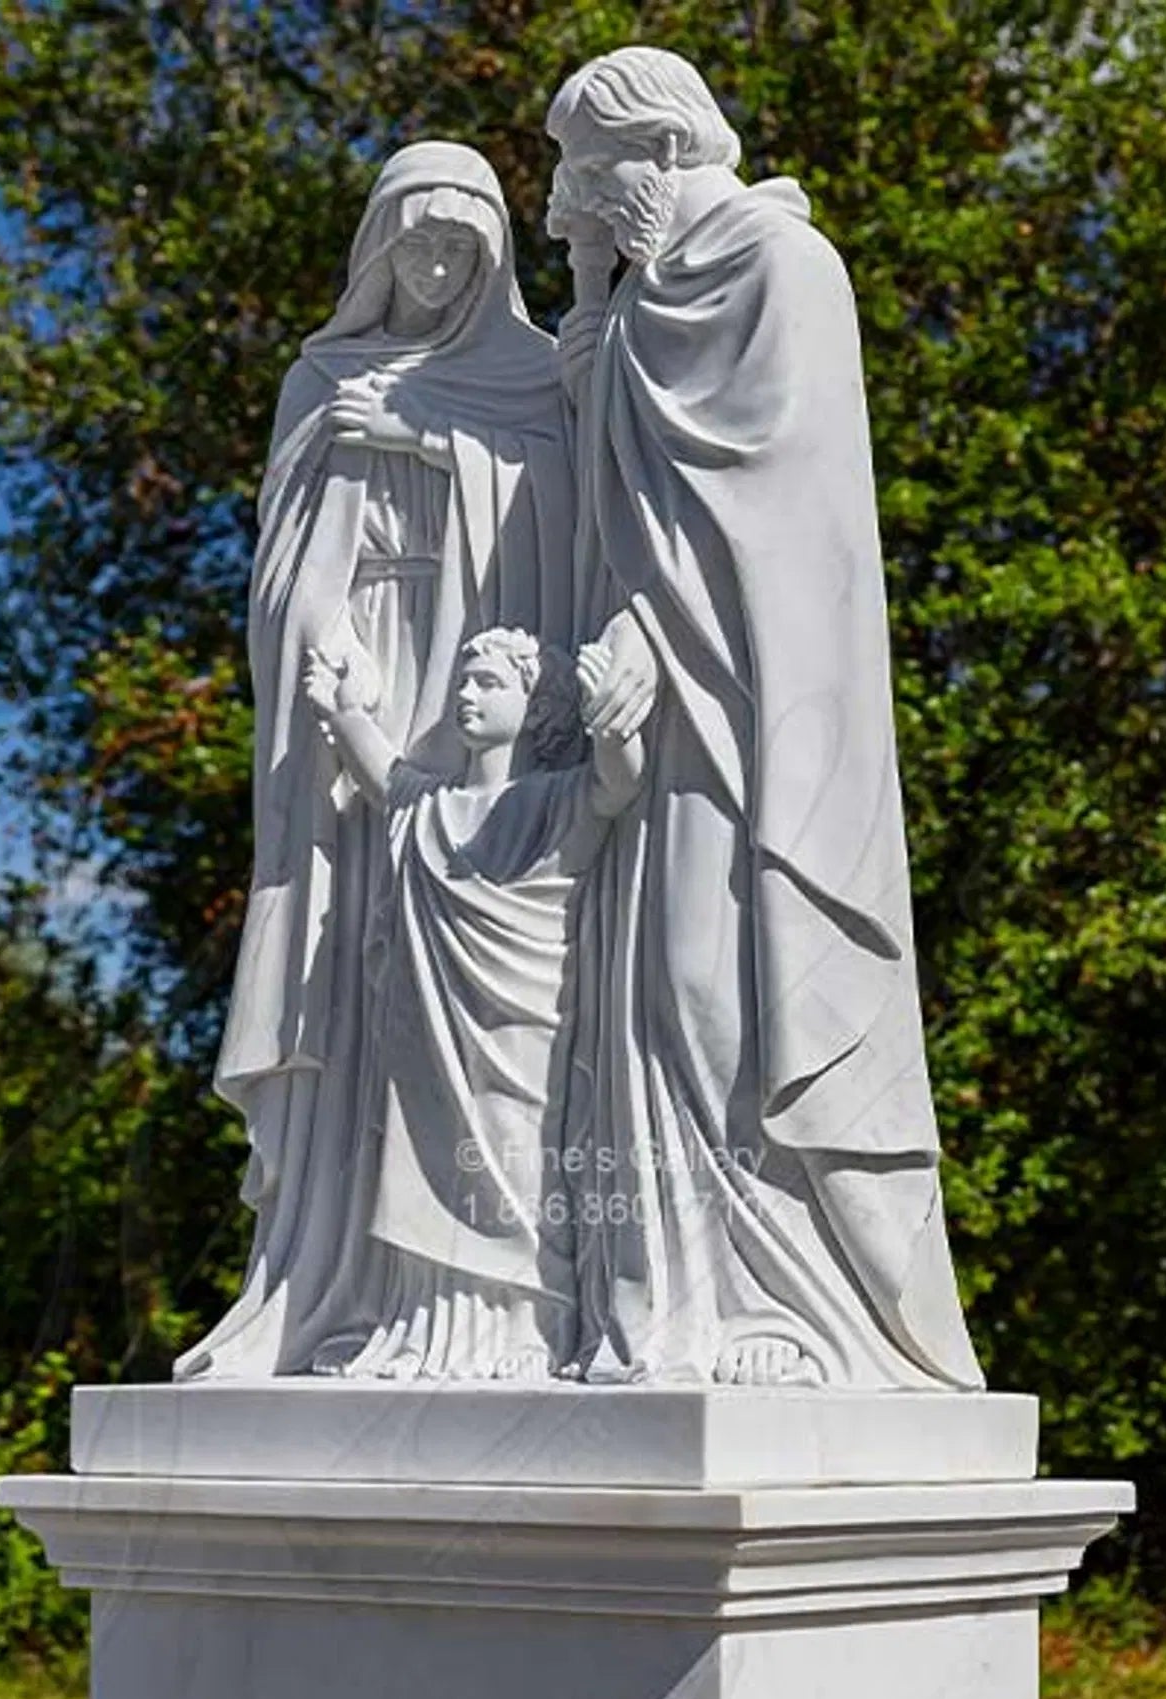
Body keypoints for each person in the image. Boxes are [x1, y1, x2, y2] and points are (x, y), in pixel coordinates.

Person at [545, 48, 985, 1389]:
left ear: (665, 147)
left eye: (591, 169)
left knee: (712, 975)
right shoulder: (641, 297)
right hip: (648, 710)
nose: (572, 199)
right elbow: (612, 495)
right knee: (631, 993)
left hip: (745, 703)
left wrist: (651, 622)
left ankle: (776, 1298)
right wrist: (588, 325)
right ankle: (658, 1307)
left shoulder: (783, 267)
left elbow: (777, 504)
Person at [178, 142, 573, 1380]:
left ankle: (465, 1286)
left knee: (453, 961)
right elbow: (282, 564)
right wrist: (323, 654)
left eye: (462, 249)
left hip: (474, 673)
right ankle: (318, 1282)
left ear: (492, 260)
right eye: (418, 246)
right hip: (353, 679)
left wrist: (428, 441)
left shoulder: (533, 374)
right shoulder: (321, 375)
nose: (438, 268)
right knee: (342, 955)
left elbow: (568, 524)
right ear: (378, 251)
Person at [299, 628, 647, 1380]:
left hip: (523, 1024)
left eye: (489, 682)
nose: (466, 694)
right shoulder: (431, 807)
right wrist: (343, 707)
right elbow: (384, 777)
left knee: (519, 1164)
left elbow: (616, 785)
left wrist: (612, 725)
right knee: (425, 1158)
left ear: (538, 705)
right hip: (429, 1027)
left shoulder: (555, 799)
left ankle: (528, 1326)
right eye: (463, 679)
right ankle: (424, 1328)